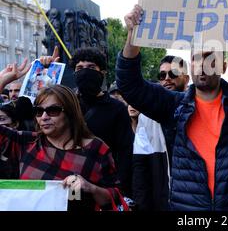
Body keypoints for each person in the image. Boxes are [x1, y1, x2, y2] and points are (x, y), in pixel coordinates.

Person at [116, 4, 228, 211]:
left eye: (210, 57)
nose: (203, 64)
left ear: (223, 66)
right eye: (196, 58)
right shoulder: (173, 106)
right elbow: (129, 85)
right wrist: (133, 36)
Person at [0, 84, 123, 211]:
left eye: (53, 110)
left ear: (70, 113)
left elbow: (115, 196)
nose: (44, 117)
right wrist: (3, 81)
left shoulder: (96, 149)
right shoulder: (27, 142)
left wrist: (90, 188)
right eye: (39, 111)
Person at [41, 46, 134, 199]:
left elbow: (125, 153)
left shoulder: (116, 108)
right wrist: (46, 72)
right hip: (64, 182)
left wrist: (120, 192)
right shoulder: (64, 104)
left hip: (100, 186)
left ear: (102, 73)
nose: (85, 71)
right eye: (79, 68)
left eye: (91, 67)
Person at [132, 55, 189, 211]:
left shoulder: (200, 110)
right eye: (162, 75)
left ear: (187, 78)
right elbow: (140, 167)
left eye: (173, 74)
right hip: (164, 202)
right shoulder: (145, 117)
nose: (167, 79)